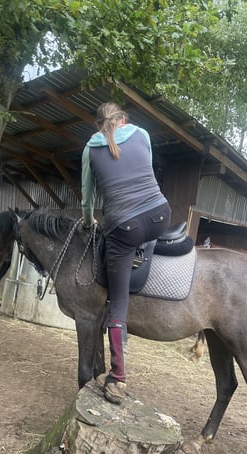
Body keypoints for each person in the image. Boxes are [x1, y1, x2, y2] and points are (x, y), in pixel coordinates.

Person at [81, 102, 171, 404]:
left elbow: (87, 198)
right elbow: (146, 168)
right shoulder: (141, 133)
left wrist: (88, 220)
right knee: (144, 234)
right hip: (161, 214)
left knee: (117, 302)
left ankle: (117, 377)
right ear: (122, 119)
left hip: (124, 227)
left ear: (98, 125)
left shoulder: (89, 150)